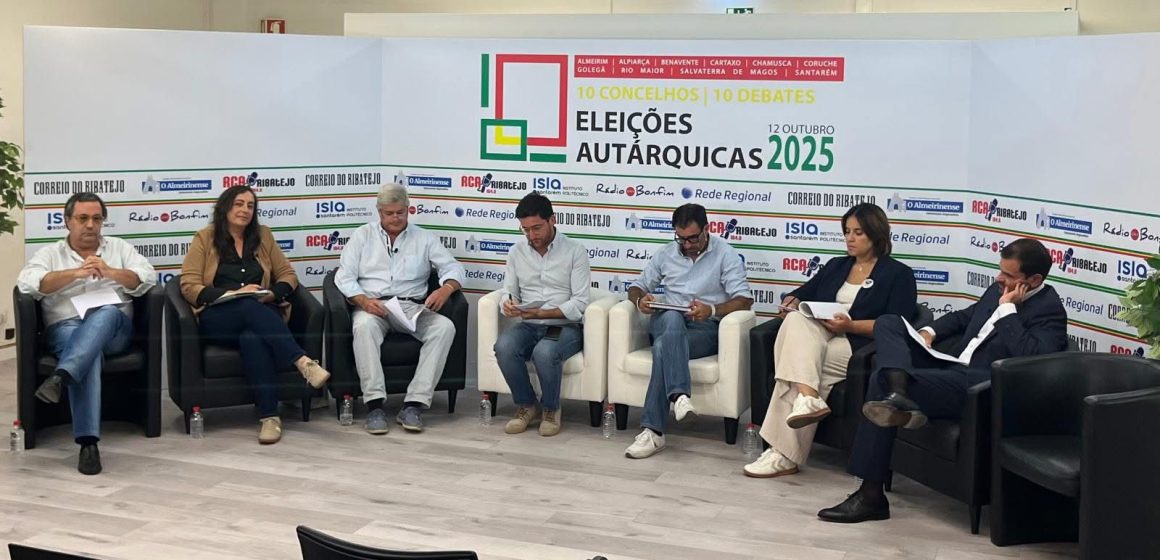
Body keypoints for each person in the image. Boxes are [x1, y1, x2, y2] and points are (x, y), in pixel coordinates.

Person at [818, 237, 1068, 523]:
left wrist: (1008, 310)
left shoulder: (1049, 311)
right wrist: (929, 332)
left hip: (980, 386)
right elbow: (964, 318)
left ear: (1034, 280)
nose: (1000, 279)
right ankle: (900, 392)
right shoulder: (997, 289)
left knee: (880, 380)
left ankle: (870, 494)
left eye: (1009, 276)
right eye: (1000, 271)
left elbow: (1032, 360)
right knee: (889, 322)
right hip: (952, 365)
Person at [744, 204, 916, 478]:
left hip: (857, 346)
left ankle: (783, 452)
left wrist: (850, 325)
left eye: (858, 232)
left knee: (798, 368)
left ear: (876, 234)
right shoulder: (837, 265)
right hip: (820, 336)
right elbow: (802, 293)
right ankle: (807, 401)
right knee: (796, 321)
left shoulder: (898, 274)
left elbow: (897, 325)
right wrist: (792, 301)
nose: (850, 238)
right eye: (847, 231)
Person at [17, 192, 156, 475]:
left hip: (114, 332)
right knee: (86, 355)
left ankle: (61, 375)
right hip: (65, 328)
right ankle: (88, 444)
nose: (90, 225)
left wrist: (111, 272)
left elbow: (146, 277)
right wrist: (74, 273)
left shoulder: (118, 248)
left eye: (96, 218)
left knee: (107, 312)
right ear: (67, 221)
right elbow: (28, 285)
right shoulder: (50, 254)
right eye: (82, 218)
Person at [180, 185, 331, 445]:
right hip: (218, 317)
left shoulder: (263, 236)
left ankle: (270, 417)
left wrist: (272, 293)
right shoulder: (205, 238)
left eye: (250, 206)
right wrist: (233, 293)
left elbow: (288, 275)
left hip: (261, 313)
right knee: (247, 305)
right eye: (239, 204)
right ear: (225, 207)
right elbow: (189, 285)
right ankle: (302, 362)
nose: (245, 210)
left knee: (252, 336)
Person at [623, 203, 753, 459]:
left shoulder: (725, 254)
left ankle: (653, 432)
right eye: (681, 239)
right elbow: (637, 286)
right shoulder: (666, 253)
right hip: (667, 321)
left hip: (704, 328)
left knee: (663, 347)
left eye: (693, 238)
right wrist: (640, 301)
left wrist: (712, 310)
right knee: (672, 316)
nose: (687, 245)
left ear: (706, 229)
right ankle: (680, 395)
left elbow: (744, 300)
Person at [334, 183, 464, 434]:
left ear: (408, 209)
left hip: (410, 307)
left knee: (444, 327)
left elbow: (454, 268)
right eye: (389, 213)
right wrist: (363, 301)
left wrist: (446, 289)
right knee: (363, 327)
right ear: (379, 212)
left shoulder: (424, 238)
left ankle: (414, 404)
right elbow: (343, 276)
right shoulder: (362, 235)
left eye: (400, 212)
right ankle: (374, 406)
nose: (395, 218)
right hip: (373, 306)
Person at [493, 192, 591, 437]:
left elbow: (580, 303)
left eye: (537, 228)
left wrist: (544, 312)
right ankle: (527, 405)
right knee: (504, 346)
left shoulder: (575, 251)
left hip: (562, 325)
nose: (531, 235)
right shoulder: (516, 252)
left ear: (552, 220)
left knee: (545, 351)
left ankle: (551, 409)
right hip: (529, 324)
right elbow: (508, 291)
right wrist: (508, 304)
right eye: (525, 229)